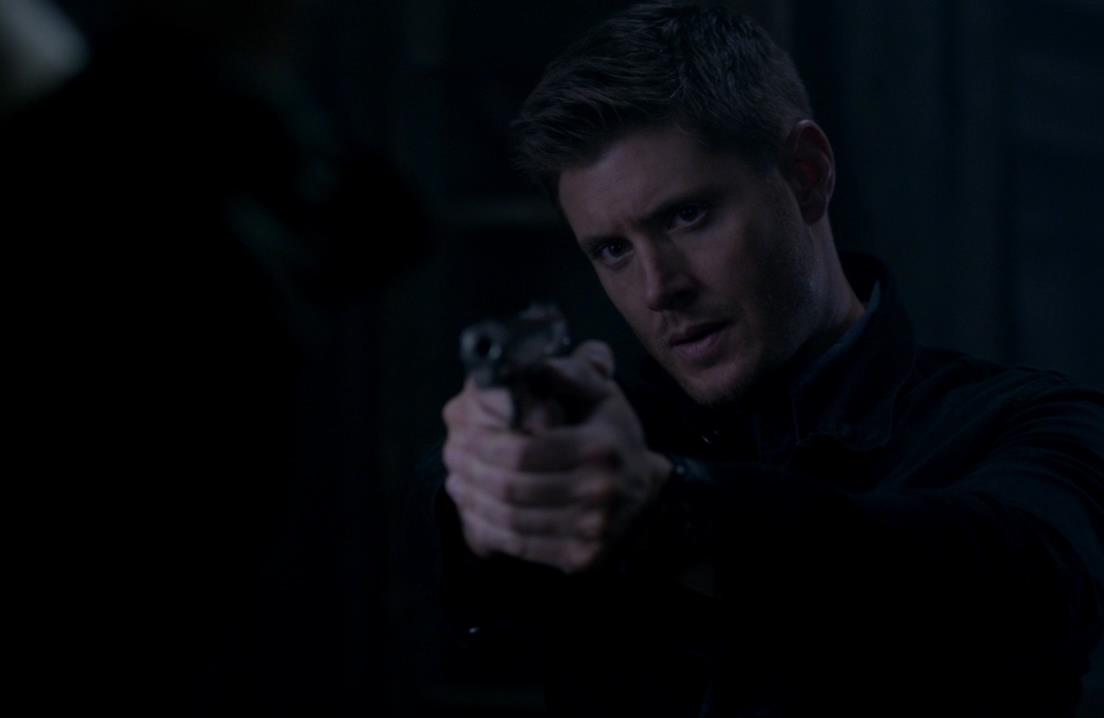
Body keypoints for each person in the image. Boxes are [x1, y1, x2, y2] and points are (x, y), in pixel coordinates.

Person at [424, 3, 1103, 716]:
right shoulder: (618, 433)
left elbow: (1019, 585)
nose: (658, 288)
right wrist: (485, 477)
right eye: (613, 250)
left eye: (687, 216)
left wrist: (669, 515)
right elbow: (435, 568)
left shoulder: (1035, 424)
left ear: (807, 175)